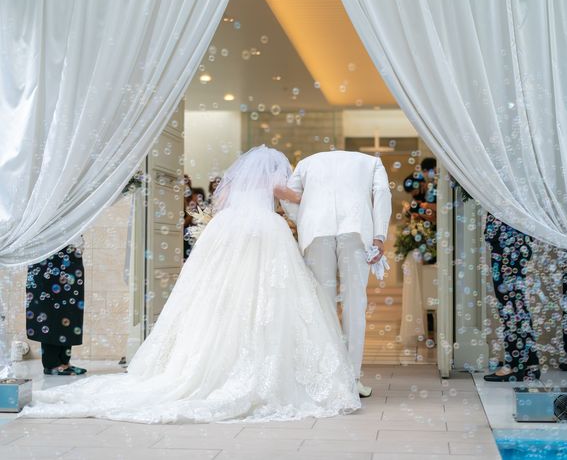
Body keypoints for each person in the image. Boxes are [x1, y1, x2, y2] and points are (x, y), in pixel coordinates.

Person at [20, 146, 359, 423]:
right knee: (267, 290)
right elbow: (294, 198)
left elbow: (220, 203)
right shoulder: (274, 182)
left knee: (218, 292)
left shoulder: (233, 186)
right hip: (263, 232)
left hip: (226, 230)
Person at [281, 150, 391, 398]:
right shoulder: (372, 162)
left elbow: (287, 197)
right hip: (356, 229)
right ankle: (352, 379)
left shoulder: (306, 162)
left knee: (323, 304)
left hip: (316, 231)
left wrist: (304, 218)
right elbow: (383, 194)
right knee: (355, 303)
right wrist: (379, 236)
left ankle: (327, 376)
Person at [483, 215, 541, 382]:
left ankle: (514, 365)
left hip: (507, 243)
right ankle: (530, 364)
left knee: (510, 305)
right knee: (517, 304)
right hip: (514, 241)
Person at [26, 238, 87, 376]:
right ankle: (52, 363)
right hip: (50, 254)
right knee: (52, 309)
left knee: (69, 310)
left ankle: (64, 361)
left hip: (68, 254)